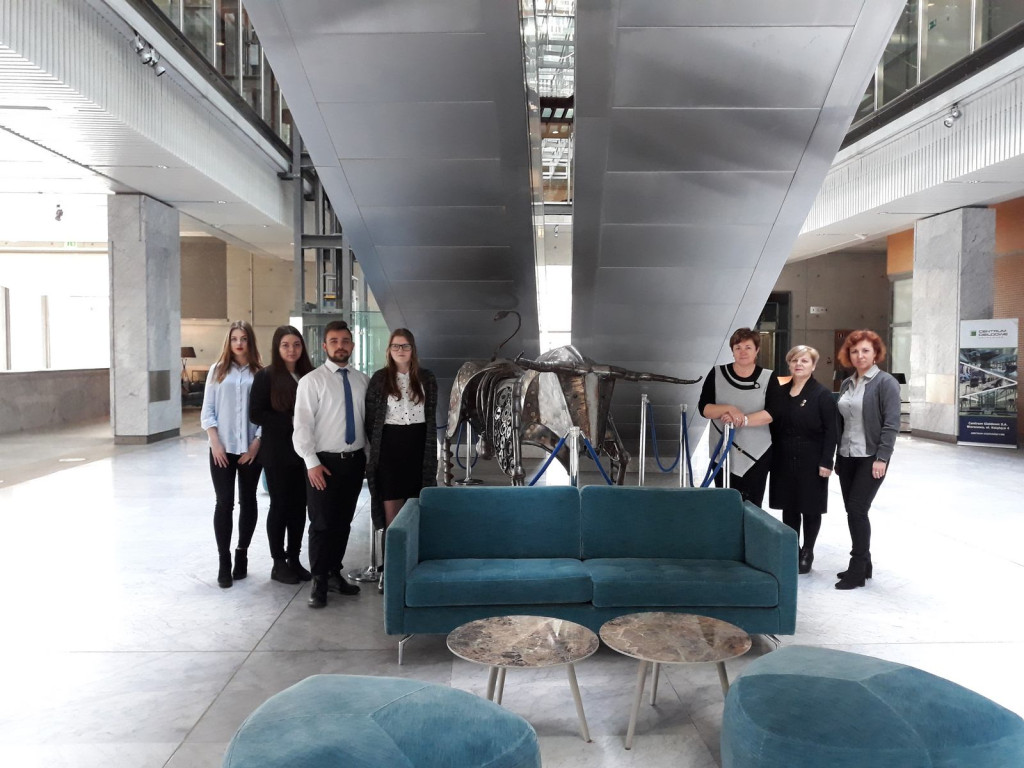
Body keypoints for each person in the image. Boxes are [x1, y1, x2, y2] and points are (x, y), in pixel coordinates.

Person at [292, 320, 369, 608]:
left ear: (352, 345)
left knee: (343, 522)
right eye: (334, 341)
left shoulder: (362, 381)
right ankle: (319, 580)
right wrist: (311, 462)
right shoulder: (311, 381)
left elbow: (366, 423)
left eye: (345, 341)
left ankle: (335, 573)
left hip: (354, 462)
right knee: (322, 524)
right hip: (323, 463)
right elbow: (302, 425)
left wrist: (368, 459)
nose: (340, 346)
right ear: (324, 346)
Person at [834, 329, 901, 590]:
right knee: (852, 510)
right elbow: (841, 423)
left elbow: (891, 424)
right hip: (847, 456)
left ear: (875, 354)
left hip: (871, 457)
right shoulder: (847, 383)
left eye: (865, 350)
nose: (859, 355)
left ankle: (857, 568)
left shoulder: (885, 383)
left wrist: (882, 457)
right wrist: (837, 456)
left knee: (857, 510)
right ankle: (865, 563)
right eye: (854, 351)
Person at [249, 325, 315, 585]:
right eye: (285, 345)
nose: (291, 350)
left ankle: (294, 559)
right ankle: (278, 562)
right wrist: (291, 421)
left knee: (300, 507)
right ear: (277, 348)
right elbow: (256, 413)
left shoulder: (309, 374)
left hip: (304, 452)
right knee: (280, 506)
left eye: (296, 344)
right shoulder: (266, 376)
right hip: (277, 452)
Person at [200, 321, 263, 589]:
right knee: (224, 502)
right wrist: (215, 443)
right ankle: (223, 561)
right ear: (229, 341)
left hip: (251, 450)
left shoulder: (260, 373)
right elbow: (207, 411)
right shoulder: (217, 371)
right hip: (222, 450)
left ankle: (242, 554)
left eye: (244, 338)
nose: (239, 343)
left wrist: (256, 444)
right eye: (235, 338)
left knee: (248, 501)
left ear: (250, 342)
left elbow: (265, 413)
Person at [766, 345, 838, 575]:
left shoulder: (822, 395)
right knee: (789, 506)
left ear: (813, 366)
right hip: (784, 456)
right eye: (795, 360)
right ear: (789, 364)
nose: (799, 364)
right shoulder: (780, 392)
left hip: (812, 458)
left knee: (810, 506)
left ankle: (808, 550)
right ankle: (793, 548)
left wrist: (827, 461)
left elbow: (832, 431)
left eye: (804, 361)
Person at [365, 329, 438, 550]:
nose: (401, 350)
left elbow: (431, 417)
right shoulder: (380, 378)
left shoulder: (427, 378)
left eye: (406, 346)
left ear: (413, 349)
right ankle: (391, 565)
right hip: (389, 451)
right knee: (392, 514)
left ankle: (415, 560)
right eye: (396, 346)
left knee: (417, 509)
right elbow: (371, 420)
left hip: (418, 448)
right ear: (389, 350)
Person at [698, 328, 780, 506]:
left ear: (757, 350)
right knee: (725, 504)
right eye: (738, 348)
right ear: (732, 351)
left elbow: (772, 413)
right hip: (722, 452)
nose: (743, 352)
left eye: (748, 347)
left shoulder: (769, 377)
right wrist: (729, 409)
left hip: (758, 452)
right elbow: (704, 409)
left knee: (752, 506)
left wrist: (742, 419)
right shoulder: (717, 373)